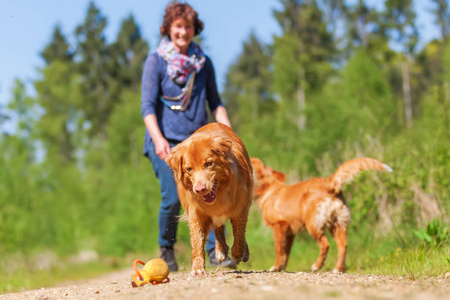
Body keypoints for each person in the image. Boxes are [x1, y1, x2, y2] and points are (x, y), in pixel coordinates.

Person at [141, 2, 236, 272]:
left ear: (195, 30)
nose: (183, 32)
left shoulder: (203, 64)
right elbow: (147, 107)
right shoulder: (156, 61)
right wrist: (159, 140)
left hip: (198, 143)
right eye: (178, 27)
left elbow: (216, 103)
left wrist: (229, 133)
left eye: (188, 27)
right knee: (173, 198)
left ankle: (215, 253)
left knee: (208, 191)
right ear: (169, 29)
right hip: (166, 143)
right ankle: (167, 247)